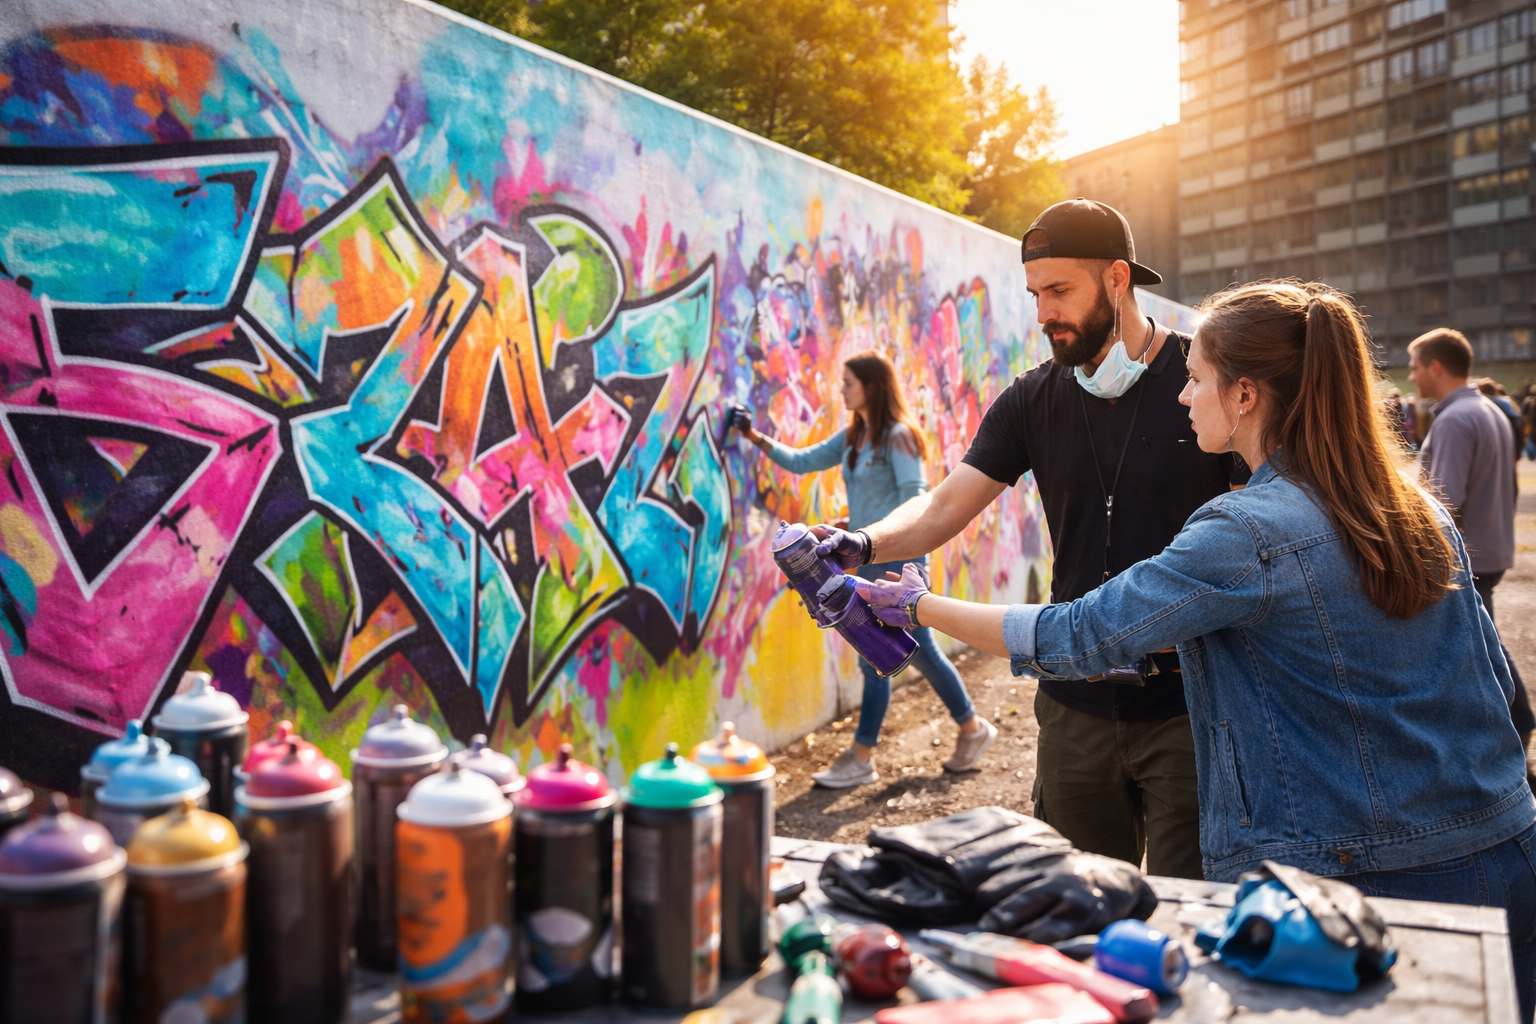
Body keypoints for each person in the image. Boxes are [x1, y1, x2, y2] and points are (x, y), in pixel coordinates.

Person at [846, 281, 1536, 1020]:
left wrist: (913, 603)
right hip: (1506, 852)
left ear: (1244, 395)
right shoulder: (1416, 508)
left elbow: (1078, 632)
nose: (1182, 398)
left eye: (1196, 379)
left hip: (1360, 892)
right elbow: (1504, 696)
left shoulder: (1244, 528)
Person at [809, 199, 1247, 879]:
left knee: (1192, 917)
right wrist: (862, 545)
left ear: (1117, 280)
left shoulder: (1201, 383)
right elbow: (944, 504)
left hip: (1193, 709)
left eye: (1060, 291)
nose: (1043, 312)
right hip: (1074, 708)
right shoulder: (1032, 398)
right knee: (1074, 913)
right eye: (1035, 294)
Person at [730, 351, 995, 788]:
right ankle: (966, 729)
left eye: (848, 382)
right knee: (885, 650)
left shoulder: (899, 437)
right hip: (865, 556)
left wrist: (866, 531)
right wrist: (753, 436)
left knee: (890, 652)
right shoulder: (854, 436)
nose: (841, 390)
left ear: (871, 386)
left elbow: (916, 499)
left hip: (899, 556)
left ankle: (864, 754)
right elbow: (802, 461)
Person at [1411, 335, 1536, 762]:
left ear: (1436, 368)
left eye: (1414, 366)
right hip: (1492, 544)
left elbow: (1440, 503)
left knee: (1479, 646)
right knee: (1485, 641)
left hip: (1468, 554)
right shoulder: (1488, 408)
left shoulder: (1454, 419)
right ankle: (1513, 720)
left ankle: (1515, 720)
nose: (1411, 376)